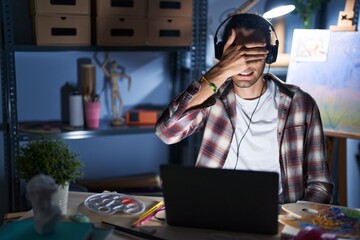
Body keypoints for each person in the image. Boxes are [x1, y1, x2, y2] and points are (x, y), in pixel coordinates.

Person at [155, 13, 334, 204]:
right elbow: (167, 132)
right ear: (222, 54)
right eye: (236, 53)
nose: (245, 62)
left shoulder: (301, 104)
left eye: (254, 52)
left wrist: (295, 223)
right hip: (215, 207)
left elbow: (320, 184)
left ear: (270, 55)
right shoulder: (211, 98)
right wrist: (222, 70)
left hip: (280, 214)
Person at [94, 52, 131, 126]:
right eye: (113, 65)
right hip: (113, 89)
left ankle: (119, 116)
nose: (114, 66)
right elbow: (102, 67)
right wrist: (107, 60)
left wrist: (129, 86)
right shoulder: (110, 74)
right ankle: (114, 117)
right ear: (112, 66)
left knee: (121, 102)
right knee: (113, 103)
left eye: (115, 65)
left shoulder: (117, 74)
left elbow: (129, 77)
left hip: (116, 88)